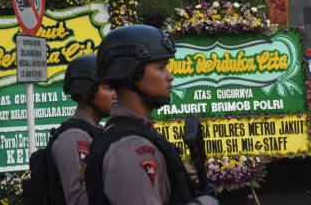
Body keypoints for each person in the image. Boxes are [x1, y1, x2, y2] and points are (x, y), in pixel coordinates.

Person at [85, 25, 218, 205]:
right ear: (132, 74)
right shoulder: (130, 148)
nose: (170, 76)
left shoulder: (133, 134)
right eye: (161, 67)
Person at [51, 54, 117, 205]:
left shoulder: (97, 130)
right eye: (108, 88)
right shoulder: (74, 137)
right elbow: (79, 199)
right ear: (86, 93)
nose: (115, 95)